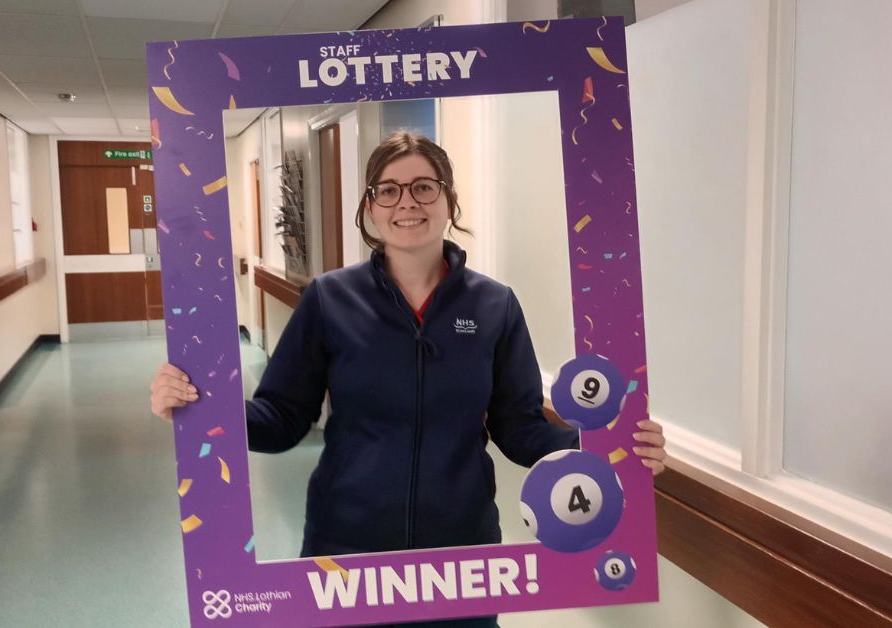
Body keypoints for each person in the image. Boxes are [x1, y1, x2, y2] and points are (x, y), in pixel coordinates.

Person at [151, 132, 667, 626]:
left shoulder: (494, 305)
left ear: (448, 200)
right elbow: (283, 419)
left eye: (424, 186)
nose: (407, 203)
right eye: (388, 190)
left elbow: (520, 427)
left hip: (461, 557)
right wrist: (200, 409)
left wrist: (608, 447)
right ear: (370, 207)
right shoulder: (330, 299)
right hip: (346, 552)